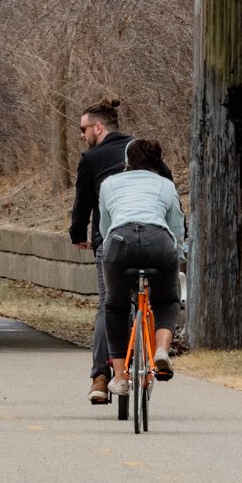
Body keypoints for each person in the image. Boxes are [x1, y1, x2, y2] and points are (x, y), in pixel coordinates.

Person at [68, 96, 171, 404]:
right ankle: (156, 349)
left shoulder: (92, 159)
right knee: (160, 298)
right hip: (157, 239)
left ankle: (102, 378)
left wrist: (78, 235)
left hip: (111, 242)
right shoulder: (147, 153)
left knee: (109, 305)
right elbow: (168, 195)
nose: (83, 136)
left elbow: (83, 203)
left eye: (84, 129)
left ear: (98, 127)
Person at [99, 138, 184, 393]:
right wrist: (176, 252)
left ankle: (120, 377)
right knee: (167, 300)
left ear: (126, 162)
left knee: (115, 306)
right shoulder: (166, 185)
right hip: (158, 240)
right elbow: (177, 228)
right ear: (158, 163)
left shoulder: (109, 184)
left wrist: (111, 252)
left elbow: (105, 225)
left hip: (119, 240)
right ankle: (160, 350)